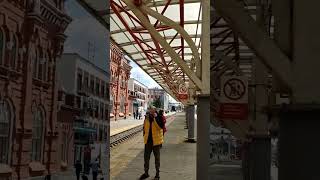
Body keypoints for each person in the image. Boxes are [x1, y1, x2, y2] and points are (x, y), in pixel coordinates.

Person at [139, 106, 164, 180]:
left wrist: (155, 118)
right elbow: (144, 128)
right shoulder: (146, 118)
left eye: (152, 110)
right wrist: (144, 135)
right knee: (146, 158)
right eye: (150, 110)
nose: (151, 112)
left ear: (155, 111)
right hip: (148, 142)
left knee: (157, 159)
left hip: (156, 142)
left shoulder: (159, 117)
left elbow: (160, 127)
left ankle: (157, 174)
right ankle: (146, 173)